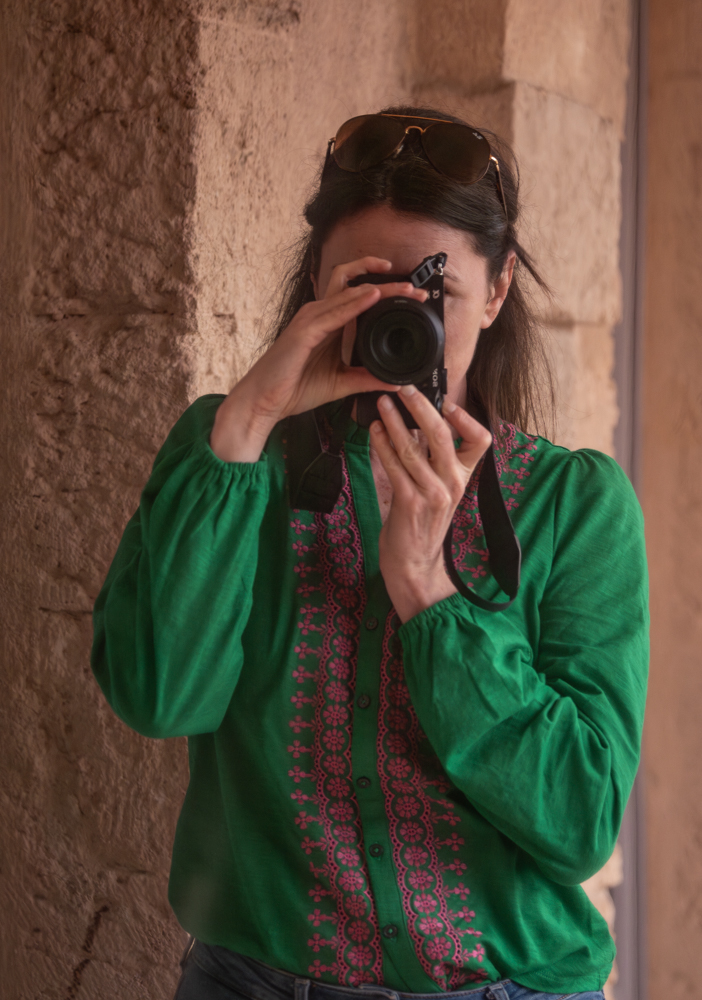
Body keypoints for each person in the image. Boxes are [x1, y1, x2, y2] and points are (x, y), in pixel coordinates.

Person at [91, 107, 649, 1000]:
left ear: (498, 288)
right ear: (319, 278)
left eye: (434, 293)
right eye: (370, 286)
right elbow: (160, 698)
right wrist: (246, 419)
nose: (401, 316)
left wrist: (431, 595)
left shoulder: (573, 504)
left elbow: (580, 820)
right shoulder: (233, 463)